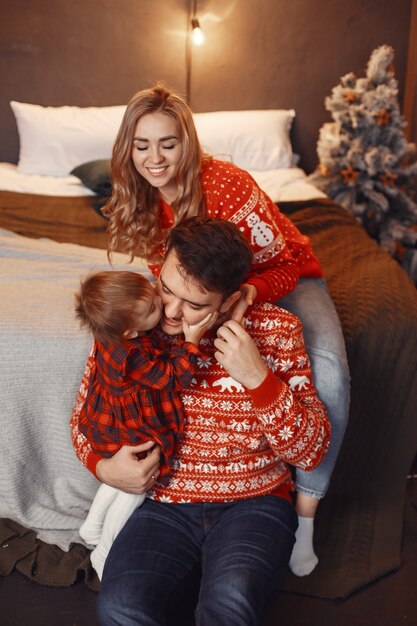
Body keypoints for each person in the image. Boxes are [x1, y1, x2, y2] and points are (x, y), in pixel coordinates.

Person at [101, 82, 350, 575]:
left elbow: (282, 264)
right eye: (142, 145)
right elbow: (164, 282)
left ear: (186, 144)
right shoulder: (140, 198)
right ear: (127, 148)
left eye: (168, 144)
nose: (155, 158)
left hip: (278, 276)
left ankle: (304, 517)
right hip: (211, 295)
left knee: (331, 370)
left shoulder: (227, 186)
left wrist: (246, 297)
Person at [71, 216, 331, 625]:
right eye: (166, 290)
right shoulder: (132, 324)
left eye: (194, 304)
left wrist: (258, 380)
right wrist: (104, 467)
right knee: (119, 607)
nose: (170, 313)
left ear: (228, 299)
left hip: (255, 502)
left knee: (229, 605)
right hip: (162, 505)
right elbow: (84, 417)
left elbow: (313, 449)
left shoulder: (277, 330)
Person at [74, 269, 215, 578]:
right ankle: (105, 548)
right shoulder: (132, 357)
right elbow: (174, 378)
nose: (161, 305)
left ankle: (91, 525)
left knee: (116, 481)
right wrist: (191, 342)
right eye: (153, 308)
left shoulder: (109, 333)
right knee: (135, 488)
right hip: (132, 430)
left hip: (106, 423)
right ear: (129, 333)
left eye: (154, 291)